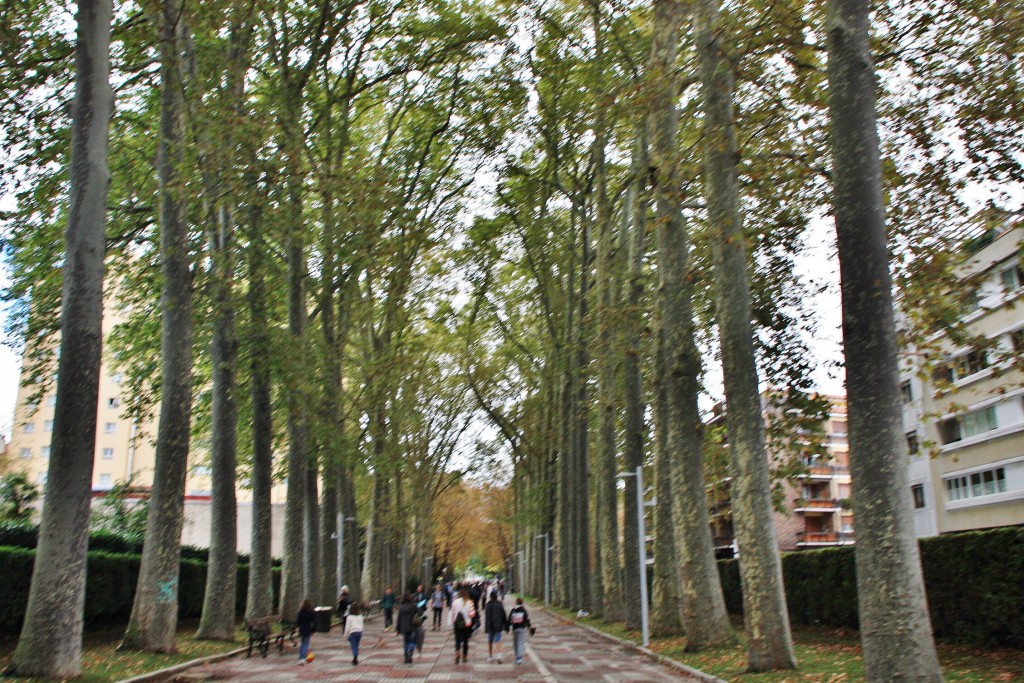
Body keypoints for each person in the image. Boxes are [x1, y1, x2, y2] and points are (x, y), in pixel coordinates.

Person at [449, 586, 476, 664]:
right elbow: (472, 614)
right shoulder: (469, 602)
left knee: (457, 640)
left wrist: (453, 622)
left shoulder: (455, 602)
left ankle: (457, 653)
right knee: (465, 641)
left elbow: (453, 613)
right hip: (467, 624)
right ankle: (464, 656)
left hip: (457, 624)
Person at [484, 590, 508, 662]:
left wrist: (486, 627)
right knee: (498, 640)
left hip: (490, 625)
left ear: (490, 597)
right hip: (498, 625)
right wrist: (506, 626)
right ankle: (499, 655)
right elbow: (504, 615)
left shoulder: (488, 605)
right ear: (496, 596)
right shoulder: (499, 605)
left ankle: (490, 655)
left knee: (490, 641)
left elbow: (487, 617)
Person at [508, 596, 533, 665]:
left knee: (515, 643)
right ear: (522, 603)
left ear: (516, 602)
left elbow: (509, 619)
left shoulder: (513, 610)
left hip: (514, 628)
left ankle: (516, 656)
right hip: (521, 628)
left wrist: (507, 627)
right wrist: (529, 627)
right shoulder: (523, 610)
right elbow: (526, 620)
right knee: (520, 642)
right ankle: (519, 658)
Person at [395, 593, 418, 664]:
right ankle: (410, 655)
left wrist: (398, 629)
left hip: (404, 627)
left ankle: (406, 656)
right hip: (413, 626)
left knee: (405, 642)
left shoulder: (401, 607)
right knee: (412, 641)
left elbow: (399, 619)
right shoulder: (414, 606)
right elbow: (419, 614)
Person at [295, 598, 316, 665]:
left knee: (302, 644)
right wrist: (313, 630)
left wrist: (298, 627)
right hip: (308, 629)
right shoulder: (311, 612)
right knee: (306, 644)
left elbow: (298, 621)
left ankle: (301, 658)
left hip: (302, 629)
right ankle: (303, 658)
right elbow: (314, 622)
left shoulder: (300, 612)